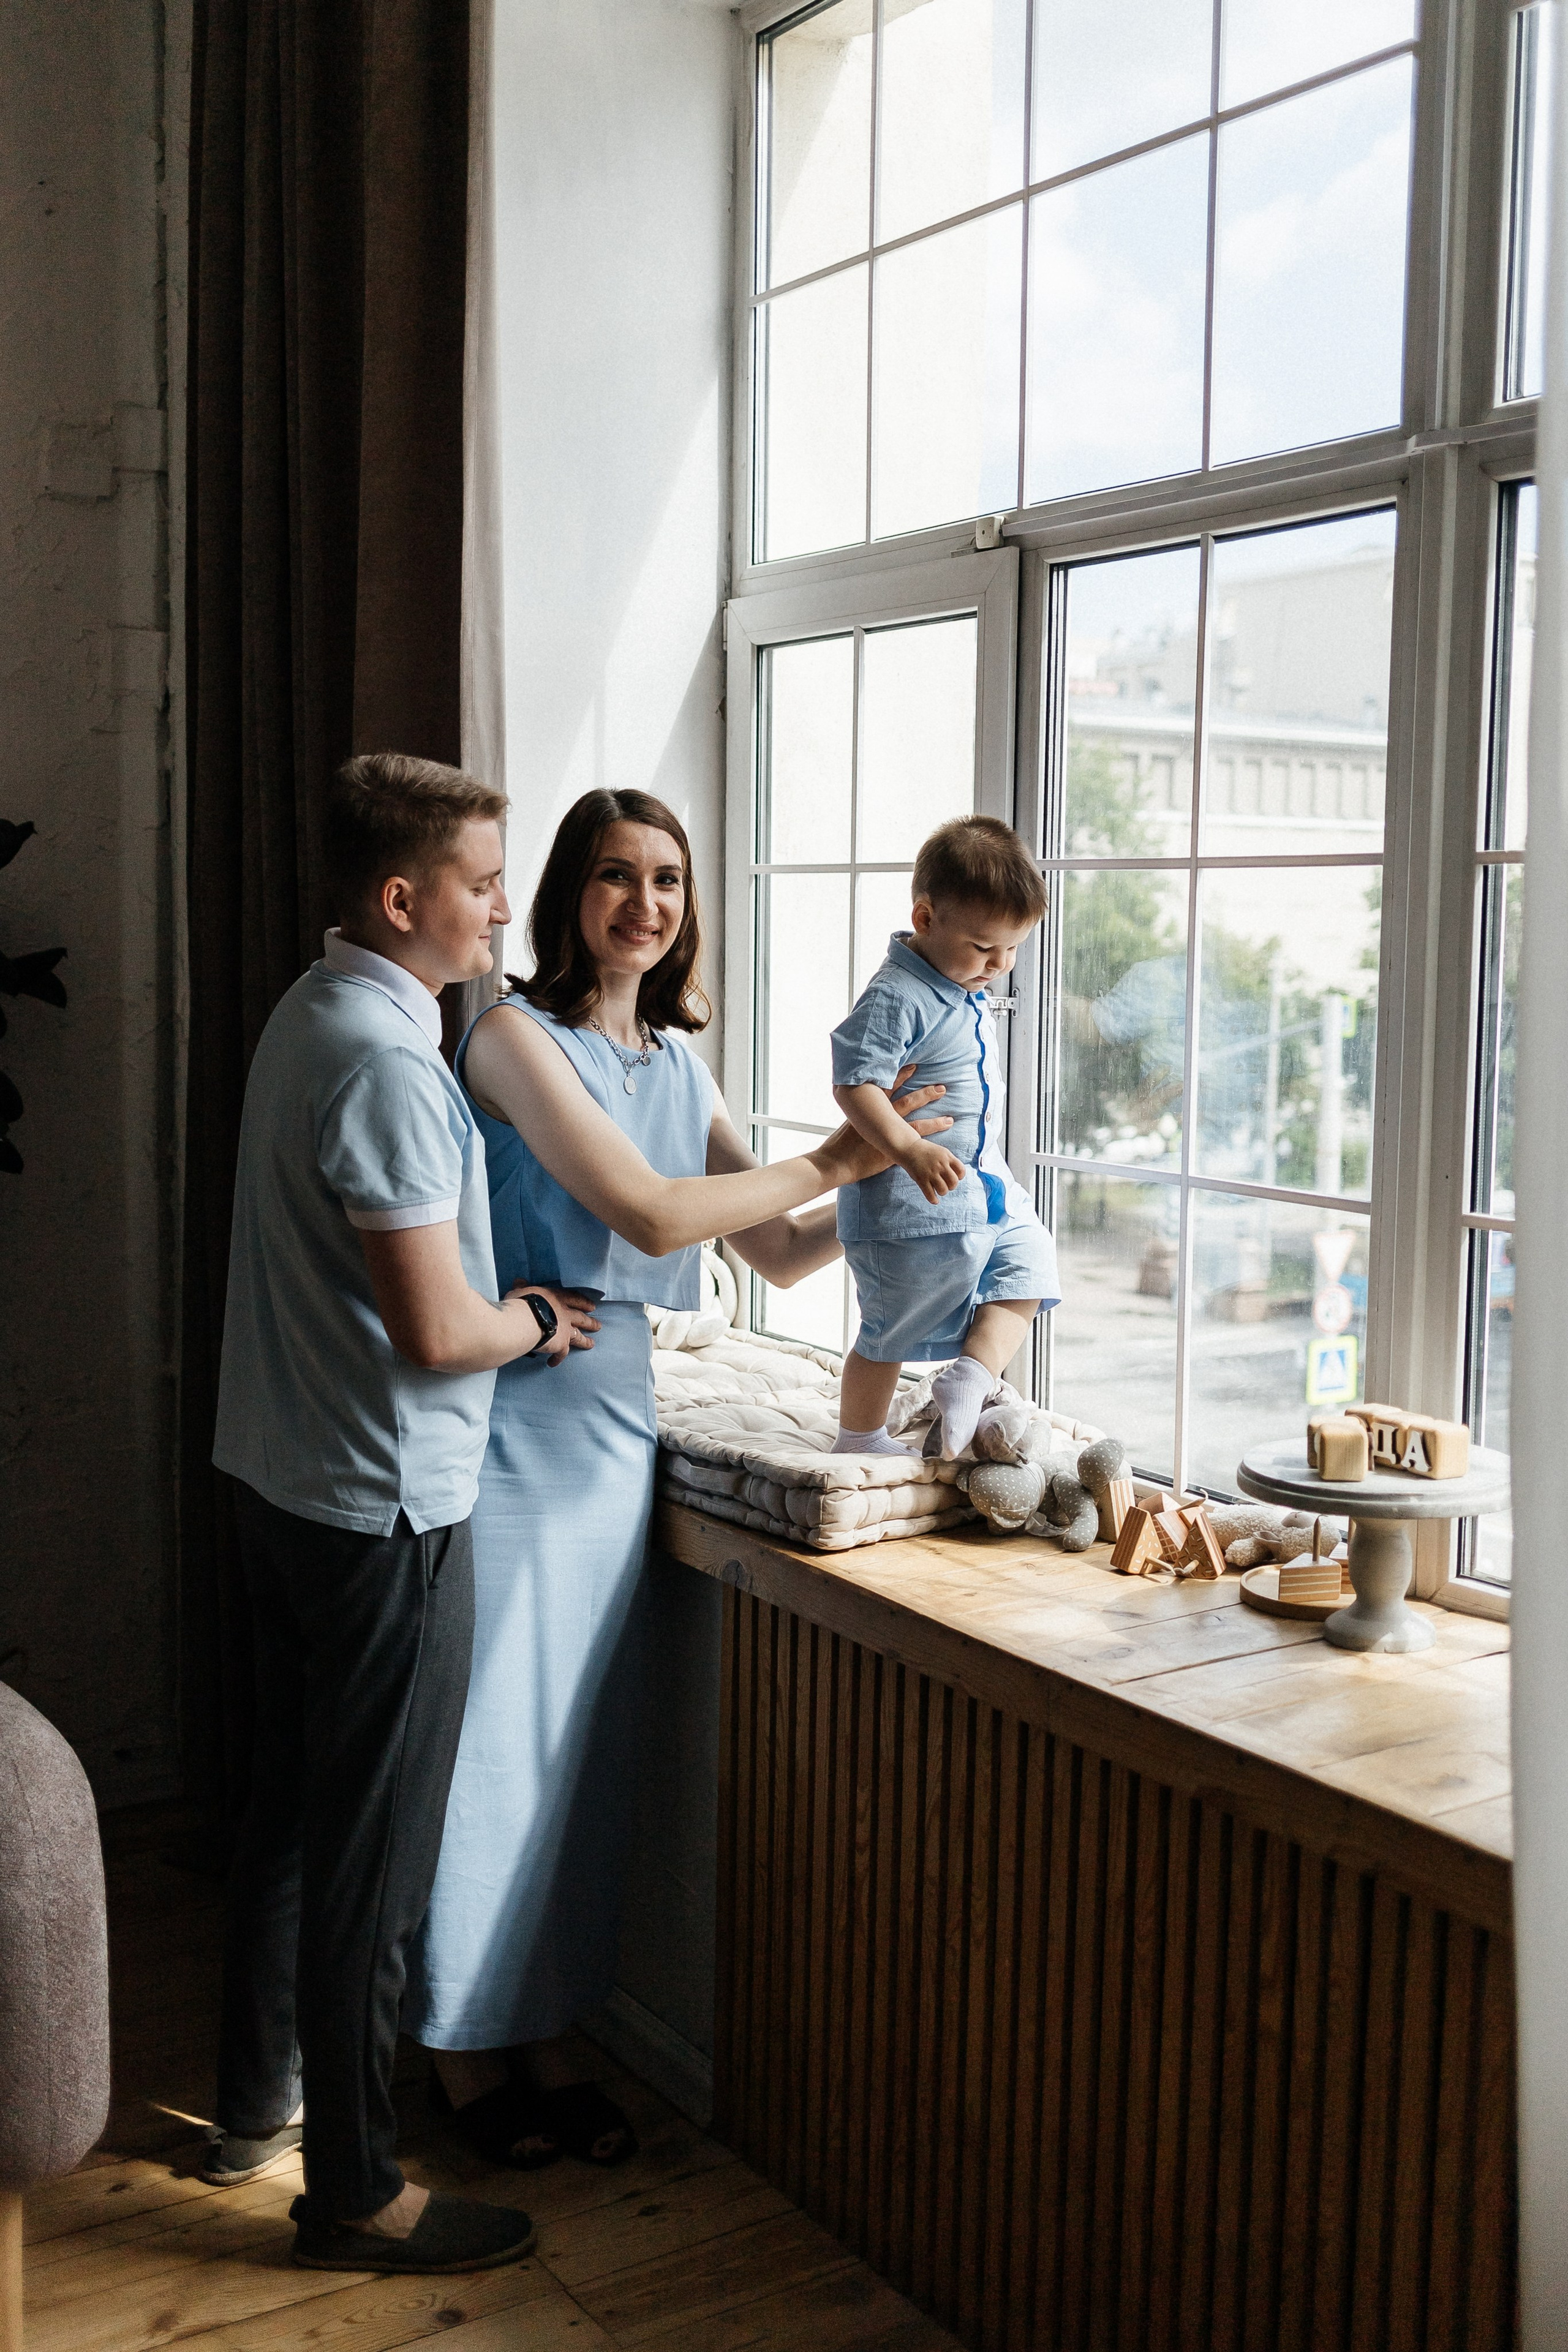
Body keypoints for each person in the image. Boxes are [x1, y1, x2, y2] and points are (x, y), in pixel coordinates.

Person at [402, 788, 950, 2168]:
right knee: (496, 1754)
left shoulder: (676, 1065)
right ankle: (452, 2051)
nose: (642, 904)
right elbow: (647, 1215)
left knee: (580, 1752)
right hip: (520, 1416)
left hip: (618, 1419)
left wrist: (908, 1187)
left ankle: (541, 2032)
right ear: (564, 898)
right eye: (612, 877)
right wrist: (834, 1150)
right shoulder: (510, 1035)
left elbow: (767, 1256)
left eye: (665, 880)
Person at [205, 753, 598, 2274]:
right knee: (373, 1860)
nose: (506, 905)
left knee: (296, 1821)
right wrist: (535, 1316)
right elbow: (438, 1332)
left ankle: (255, 2110)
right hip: (382, 1512)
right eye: (484, 881)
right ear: (401, 897)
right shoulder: (386, 1062)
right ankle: (356, 2189)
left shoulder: (316, 1014)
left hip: (282, 1480)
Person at [829, 814, 1061, 1462]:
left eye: (1013, 949)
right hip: (907, 1202)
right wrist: (905, 1147)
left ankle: (970, 1377)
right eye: (986, 948)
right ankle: (859, 1438)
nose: (1000, 965)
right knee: (889, 1329)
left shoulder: (960, 985)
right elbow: (854, 1084)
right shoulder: (896, 995)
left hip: (982, 1187)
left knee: (1031, 1265)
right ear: (925, 919)